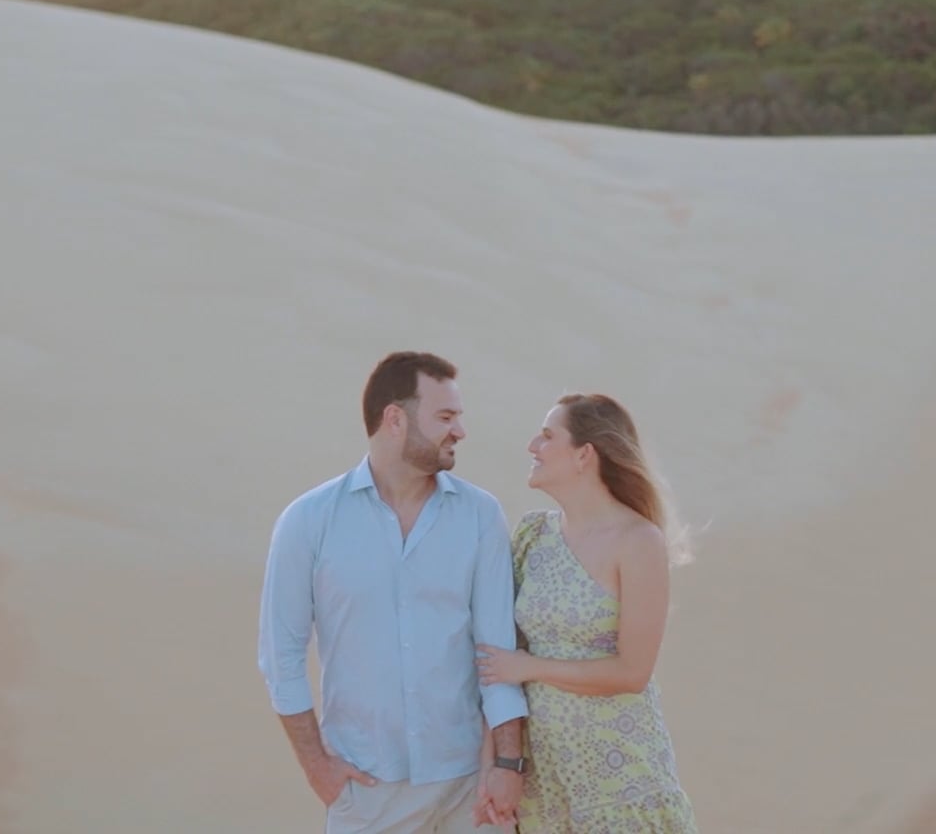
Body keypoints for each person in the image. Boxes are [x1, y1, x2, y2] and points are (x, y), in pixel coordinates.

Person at [259, 351, 530, 832]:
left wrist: (508, 765)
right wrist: (316, 766)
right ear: (395, 420)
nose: (460, 431)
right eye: (445, 417)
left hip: (470, 792)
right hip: (365, 792)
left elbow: (497, 653)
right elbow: (281, 655)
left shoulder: (480, 516)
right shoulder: (307, 522)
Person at [474, 393, 699, 833]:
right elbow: (496, 667)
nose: (532, 447)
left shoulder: (638, 541)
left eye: (547, 436)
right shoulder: (532, 536)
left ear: (584, 455)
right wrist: (496, 768)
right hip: (546, 783)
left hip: (619, 779)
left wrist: (528, 667)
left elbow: (632, 671)